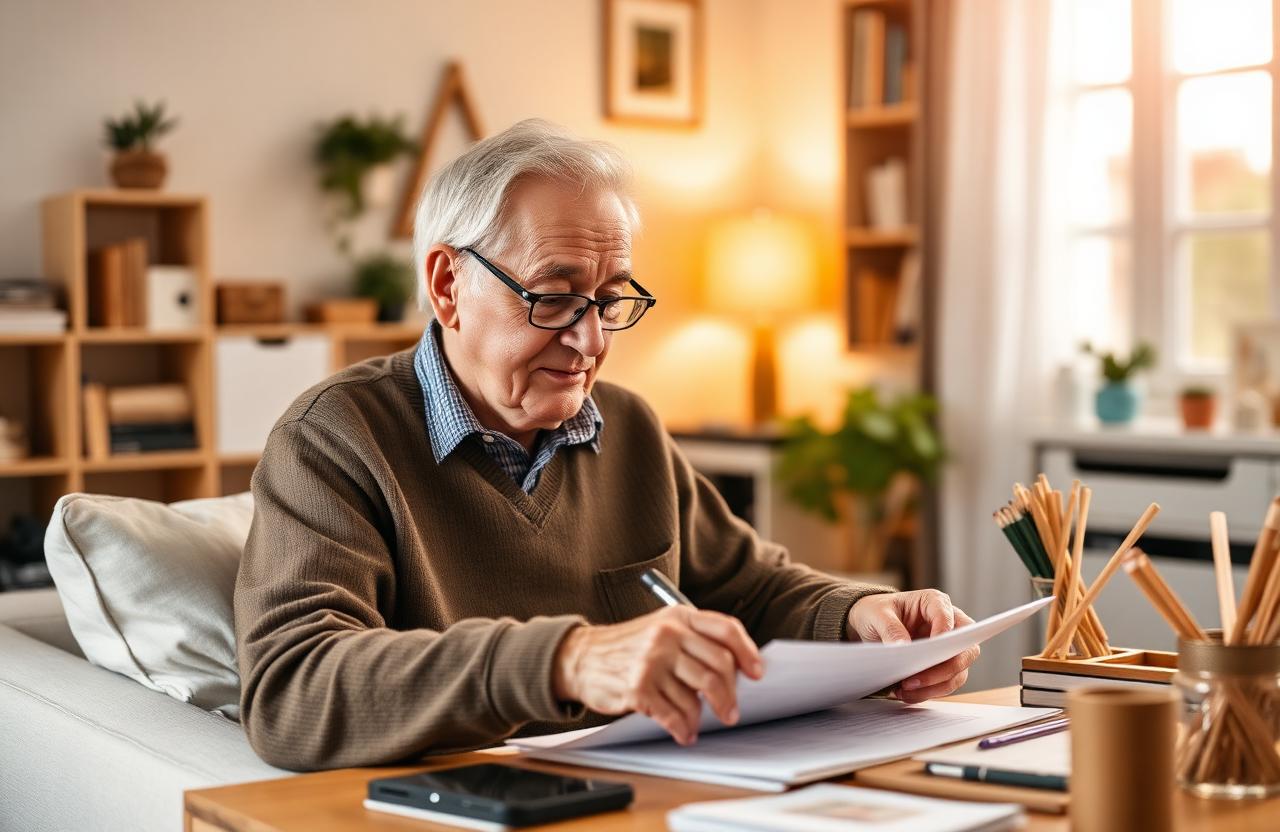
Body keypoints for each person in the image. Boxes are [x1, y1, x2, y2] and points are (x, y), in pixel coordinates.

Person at [234, 119, 978, 771]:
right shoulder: (333, 439)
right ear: (447, 284)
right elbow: (292, 687)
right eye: (553, 296)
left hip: (656, 794)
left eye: (612, 298)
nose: (590, 340)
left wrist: (861, 617)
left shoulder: (629, 427)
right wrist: (566, 661)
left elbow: (749, 590)